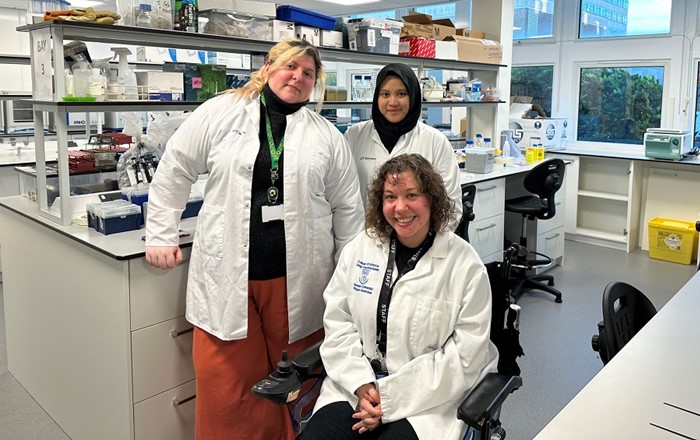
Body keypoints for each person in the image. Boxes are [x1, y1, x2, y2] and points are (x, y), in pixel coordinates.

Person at [144, 38, 365, 440]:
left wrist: (352, 277)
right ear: (268, 67)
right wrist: (160, 233)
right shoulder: (221, 112)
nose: (297, 77)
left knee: (296, 380)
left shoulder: (327, 135)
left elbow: (348, 208)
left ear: (315, 84)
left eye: (308, 73)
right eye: (290, 67)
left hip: (299, 282)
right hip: (229, 277)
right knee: (228, 387)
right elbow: (176, 167)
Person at [300, 154, 498, 440]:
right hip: (356, 387)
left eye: (412, 195)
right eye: (390, 197)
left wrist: (390, 397)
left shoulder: (465, 266)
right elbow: (339, 324)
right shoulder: (360, 250)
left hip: (427, 401)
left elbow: (465, 358)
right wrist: (361, 385)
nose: (400, 207)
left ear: (431, 199)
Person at [344, 63, 462, 224]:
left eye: (401, 94)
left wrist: (427, 246)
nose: (392, 102)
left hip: (418, 243)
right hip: (365, 239)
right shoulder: (354, 136)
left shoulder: (435, 141)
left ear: (413, 96)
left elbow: (451, 206)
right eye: (385, 94)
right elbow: (342, 196)